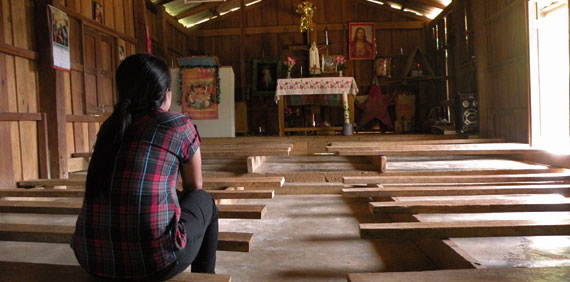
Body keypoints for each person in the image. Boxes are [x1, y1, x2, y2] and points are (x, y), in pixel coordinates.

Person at [71, 53, 219, 281]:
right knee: (205, 201)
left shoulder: (110, 128)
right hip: (155, 264)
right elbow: (194, 186)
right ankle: (207, 277)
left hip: (91, 259)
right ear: (166, 94)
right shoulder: (178, 125)